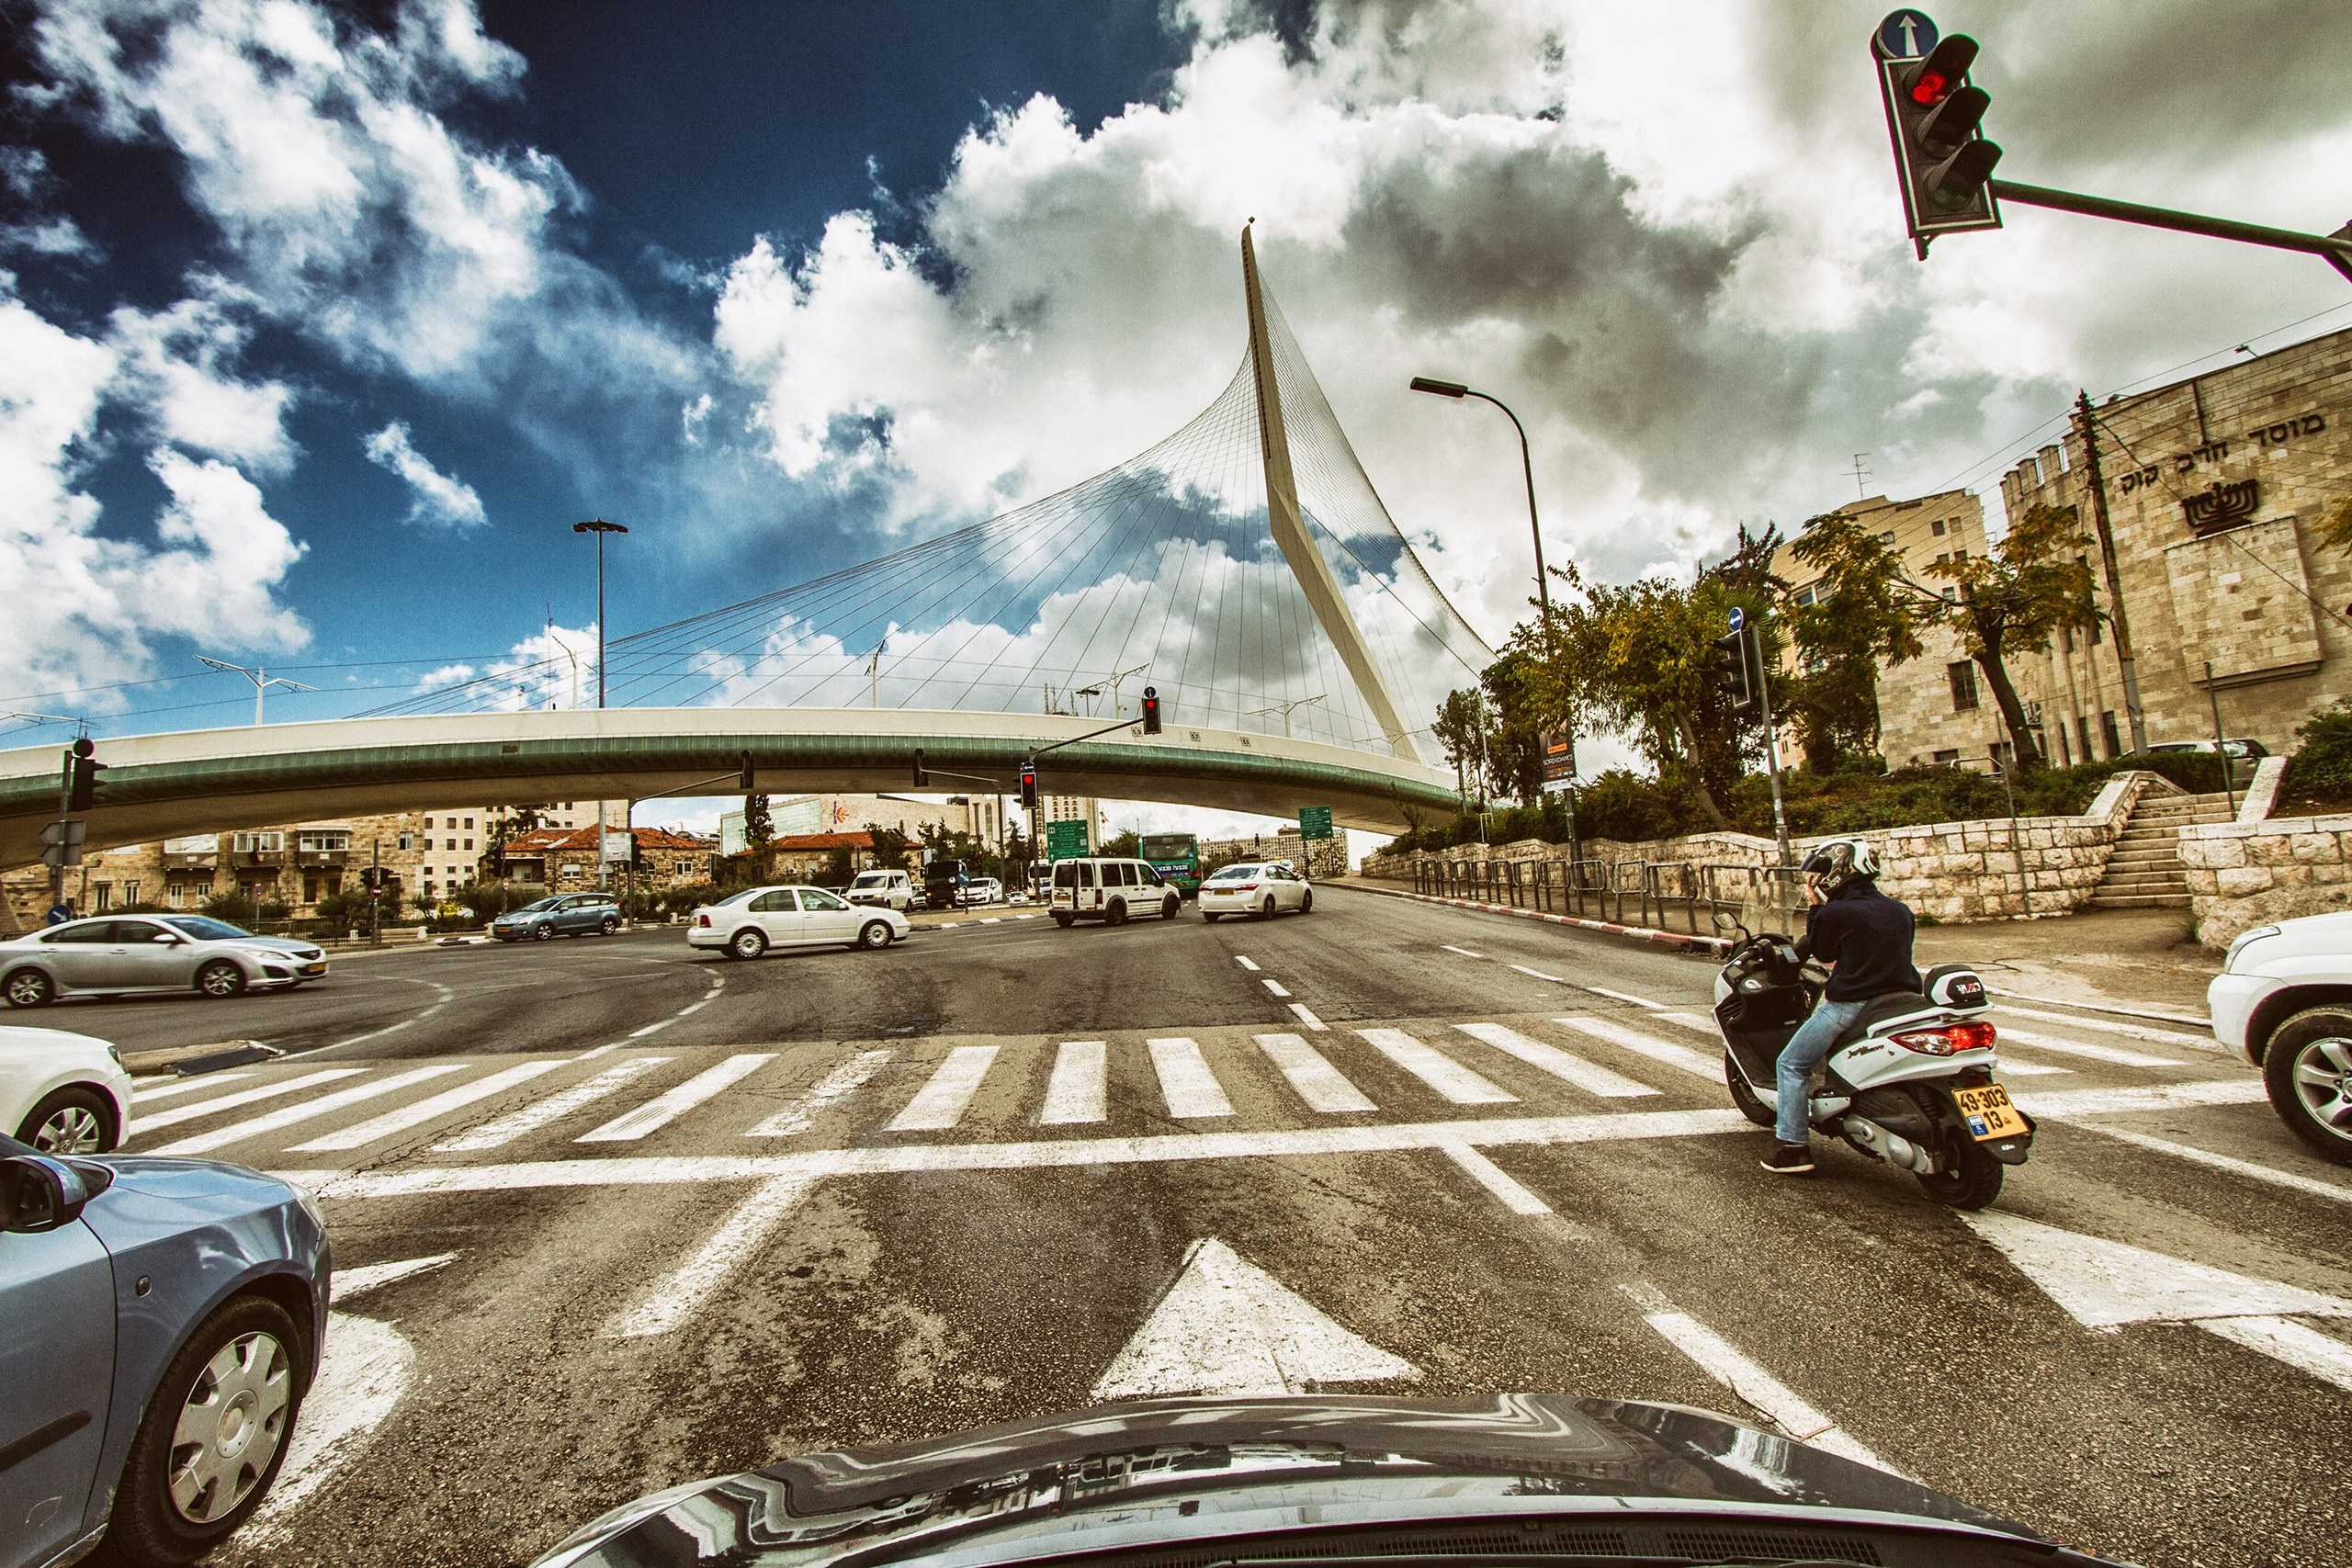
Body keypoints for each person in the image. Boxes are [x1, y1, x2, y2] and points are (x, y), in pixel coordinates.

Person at [1761, 839, 1920, 1175]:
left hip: (1852, 1005)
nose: (1816, 879)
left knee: (1791, 1064)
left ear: (1840, 871)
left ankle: (1793, 1147)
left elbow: (1822, 952)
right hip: (1904, 1003)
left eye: (1820, 872)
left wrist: (1816, 906)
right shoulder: (1900, 910)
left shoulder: (1836, 911)